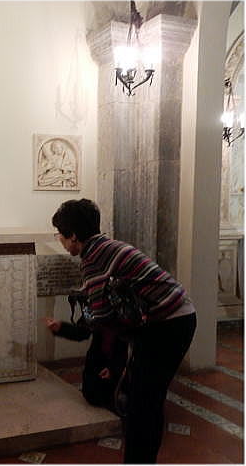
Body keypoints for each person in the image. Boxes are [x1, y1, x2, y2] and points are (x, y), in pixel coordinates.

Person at [51, 198, 196, 464]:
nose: (59, 239)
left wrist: (76, 325)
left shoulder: (93, 258)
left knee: (143, 404)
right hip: (172, 319)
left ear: (73, 236)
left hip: (168, 324)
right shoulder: (106, 246)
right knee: (146, 400)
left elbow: (102, 317)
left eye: (60, 234)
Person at [43, 316, 128, 415]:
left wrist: (115, 369)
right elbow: (82, 331)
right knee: (93, 395)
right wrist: (60, 328)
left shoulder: (128, 314)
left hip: (123, 365)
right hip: (98, 363)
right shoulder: (97, 310)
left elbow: (132, 346)